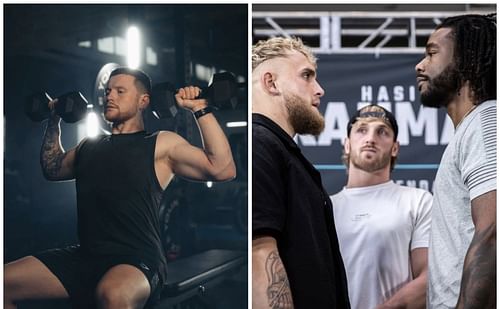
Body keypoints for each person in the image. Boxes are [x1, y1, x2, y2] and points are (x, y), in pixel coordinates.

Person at [4, 67, 236, 309]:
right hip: (86, 256)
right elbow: (51, 168)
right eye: (108, 91)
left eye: (120, 91)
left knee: (113, 294)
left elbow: (222, 169)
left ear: (143, 100)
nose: (109, 96)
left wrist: (200, 108)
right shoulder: (88, 146)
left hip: (136, 260)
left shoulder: (160, 143)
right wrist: (54, 119)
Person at [252, 36, 350, 309]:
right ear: (271, 83)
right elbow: (259, 255)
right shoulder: (260, 143)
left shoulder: (282, 151)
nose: (319, 90)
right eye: (306, 76)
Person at [415, 14, 496, 308]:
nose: (420, 65)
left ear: (465, 60)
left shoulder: (487, 121)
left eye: (432, 52)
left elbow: (493, 231)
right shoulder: (472, 128)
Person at [331, 104, 432, 309]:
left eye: (382, 132)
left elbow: (430, 278)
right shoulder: (324, 207)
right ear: (347, 144)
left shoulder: (418, 201)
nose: (370, 139)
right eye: (361, 130)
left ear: (395, 148)